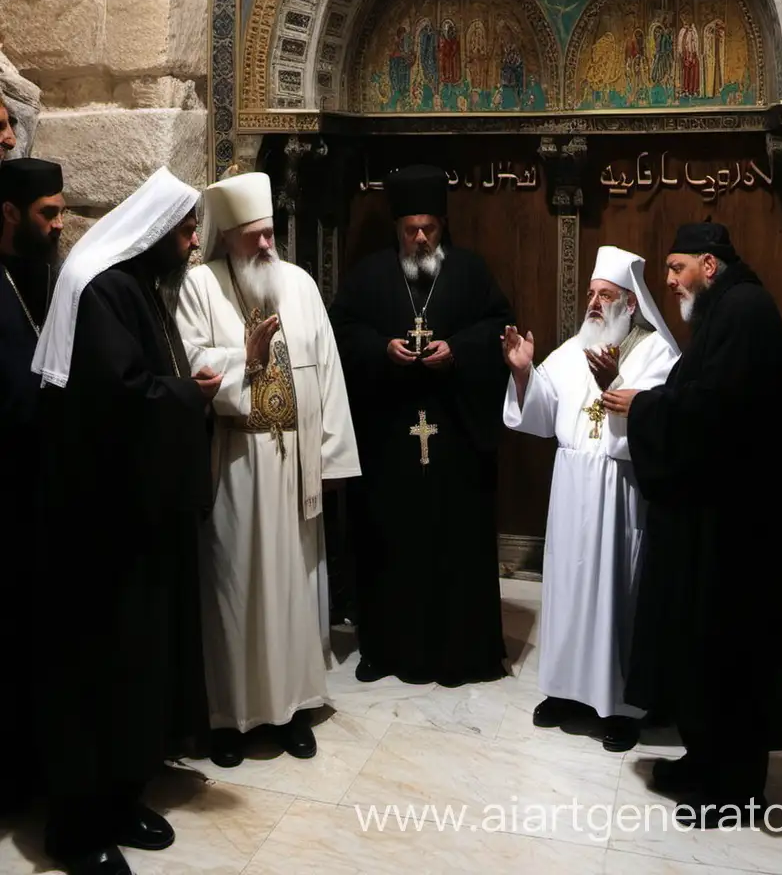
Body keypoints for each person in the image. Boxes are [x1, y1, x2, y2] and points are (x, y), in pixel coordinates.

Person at [31, 167, 219, 875]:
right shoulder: (105, 288)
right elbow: (125, 399)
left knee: (134, 669)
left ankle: (120, 797)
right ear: (156, 231)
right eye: (186, 230)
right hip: (96, 526)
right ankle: (75, 830)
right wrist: (189, 396)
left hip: (133, 520)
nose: (193, 242)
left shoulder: (135, 285)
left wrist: (178, 394)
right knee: (94, 673)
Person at [605, 221, 782, 823]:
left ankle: (731, 787)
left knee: (727, 650)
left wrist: (645, 405)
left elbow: (715, 412)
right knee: (703, 648)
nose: (668, 280)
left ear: (708, 266)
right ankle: (704, 758)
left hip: (733, 529)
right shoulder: (727, 308)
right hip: (712, 517)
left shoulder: (743, 311)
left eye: (675, 268)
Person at [174, 172, 361, 769]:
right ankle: (230, 719)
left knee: (294, 588)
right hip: (234, 465)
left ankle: (295, 709)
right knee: (236, 589)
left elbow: (326, 372)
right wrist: (241, 360)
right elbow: (192, 359)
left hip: (294, 467)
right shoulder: (199, 286)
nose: (265, 247)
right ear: (227, 237)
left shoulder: (299, 284)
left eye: (270, 235)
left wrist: (331, 459)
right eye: (253, 237)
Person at [329, 164, 513, 687]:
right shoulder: (367, 276)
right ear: (396, 228)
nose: (419, 238)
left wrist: (458, 350)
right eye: (410, 228)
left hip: (455, 440)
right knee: (389, 548)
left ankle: (461, 653)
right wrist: (379, 349)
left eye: (428, 228)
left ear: (442, 225)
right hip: (387, 445)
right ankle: (383, 648)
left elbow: (500, 326)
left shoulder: (471, 273)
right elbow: (340, 332)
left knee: (454, 548)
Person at [502, 246, 679, 751]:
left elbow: (659, 423)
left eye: (605, 296)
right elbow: (540, 412)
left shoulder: (655, 354)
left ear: (629, 302)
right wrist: (521, 372)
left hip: (620, 492)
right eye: (591, 295)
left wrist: (614, 383)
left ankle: (621, 705)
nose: (594, 304)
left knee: (616, 592)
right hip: (572, 488)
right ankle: (564, 691)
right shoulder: (571, 349)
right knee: (568, 588)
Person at [0, 158, 64, 816]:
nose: (59, 224)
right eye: (48, 213)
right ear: (10, 215)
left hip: (46, 498)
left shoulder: (51, 277)